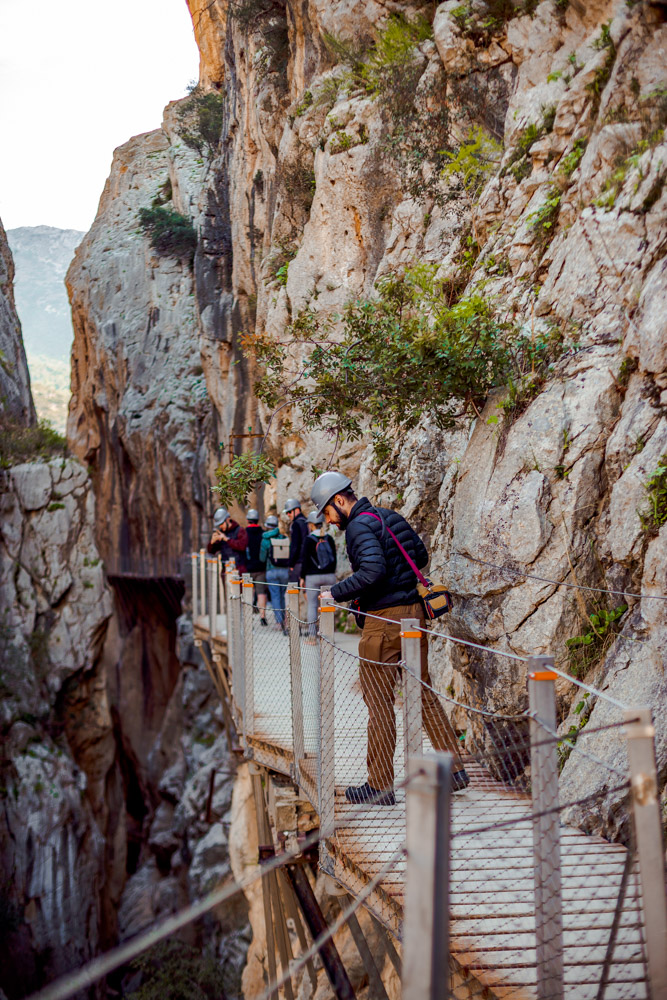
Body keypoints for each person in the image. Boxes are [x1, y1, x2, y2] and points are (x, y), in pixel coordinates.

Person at [311, 470, 469, 805]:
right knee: (422, 691)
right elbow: (420, 558)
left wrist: (334, 593)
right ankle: (454, 770)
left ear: (339, 500)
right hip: (415, 615)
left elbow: (372, 572)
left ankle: (379, 785)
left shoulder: (356, 527)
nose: (329, 520)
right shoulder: (389, 517)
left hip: (383, 622)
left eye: (327, 512)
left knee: (378, 700)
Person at [300, 511, 337, 641]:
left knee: (312, 605)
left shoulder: (309, 540)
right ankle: (328, 636)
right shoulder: (329, 538)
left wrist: (302, 577)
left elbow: (304, 560)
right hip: (329, 576)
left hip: (312, 576)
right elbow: (334, 559)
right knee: (328, 606)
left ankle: (312, 636)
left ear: (311, 525)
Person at [260, 514, 290, 634]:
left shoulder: (265, 540)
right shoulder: (283, 537)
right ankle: (284, 620)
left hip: (271, 570)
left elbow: (262, 558)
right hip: (284, 570)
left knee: (275, 596)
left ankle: (279, 622)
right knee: (282, 596)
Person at [207, 507, 248, 573]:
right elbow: (211, 552)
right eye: (219, 525)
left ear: (227, 520)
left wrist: (227, 539)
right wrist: (212, 542)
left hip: (239, 570)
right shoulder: (221, 533)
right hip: (225, 570)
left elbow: (242, 546)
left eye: (221, 524)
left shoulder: (240, 530)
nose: (220, 526)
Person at [245, 509, 268, 626]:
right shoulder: (263, 534)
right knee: (261, 592)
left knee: (249, 592)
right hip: (260, 567)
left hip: (248, 568)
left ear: (248, 520)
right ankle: (262, 616)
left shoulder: (244, 533)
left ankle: (249, 617)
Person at [283, 498, 308, 584]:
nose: (288, 515)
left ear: (296, 509)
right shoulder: (307, 522)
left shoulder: (296, 524)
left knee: (293, 589)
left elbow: (295, 545)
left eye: (289, 512)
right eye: (287, 513)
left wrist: (291, 564)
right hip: (308, 561)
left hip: (299, 562)